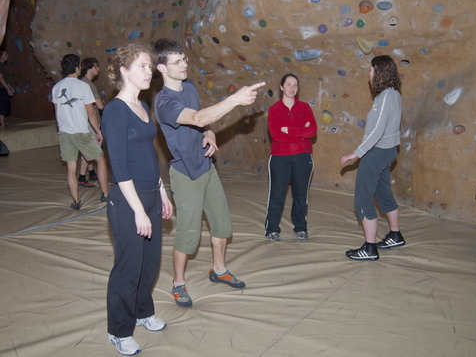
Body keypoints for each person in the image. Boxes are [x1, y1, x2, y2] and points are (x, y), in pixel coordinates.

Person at [153, 38, 264, 307]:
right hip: (185, 173)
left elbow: (202, 121)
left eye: (184, 59)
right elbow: (198, 117)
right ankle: (178, 283)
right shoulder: (164, 102)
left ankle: (219, 269)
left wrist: (210, 132)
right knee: (188, 235)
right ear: (161, 68)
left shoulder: (189, 87)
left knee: (222, 225)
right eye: (177, 62)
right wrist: (236, 100)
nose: (184, 64)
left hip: (207, 167)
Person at [101, 43, 173, 356]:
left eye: (150, 66)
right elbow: (119, 164)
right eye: (143, 66)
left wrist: (160, 190)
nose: (150, 72)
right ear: (123, 71)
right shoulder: (115, 111)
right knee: (128, 267)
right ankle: (119, 330)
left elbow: (148, 154)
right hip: (127, 199)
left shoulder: (143, 107)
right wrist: (138, 211)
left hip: (150, 195)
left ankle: (143, 311)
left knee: (150, 262)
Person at [340, 55, 406, 260]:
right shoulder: (395, 94)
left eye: (370, 70)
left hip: (376, 152)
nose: (368, 74)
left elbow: (377, 131)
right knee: (382, 192)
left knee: (363, 197)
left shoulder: (385, 97)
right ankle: (395, 234)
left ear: (379, 72)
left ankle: (369, 248)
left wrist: (356, 153)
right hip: (388, 152)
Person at [51, 54, 108, 210]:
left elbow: (57, 113)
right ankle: (105, 194)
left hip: (64, 133)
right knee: (101, 160)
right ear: (77, 68)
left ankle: (76, 201)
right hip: (81, 132)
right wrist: (98, 131)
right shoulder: (83, 86)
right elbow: (91, 112)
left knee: (71, 168)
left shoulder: (56, 87)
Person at [264, 73, 317, 242]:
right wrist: (301, 132)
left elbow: (312, 131)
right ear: (281, 87)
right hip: (280, 158)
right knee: (277, 194)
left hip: (303, 157)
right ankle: (272, 228)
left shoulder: (305, 108)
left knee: (301, 194)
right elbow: (277, 135)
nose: (292, 88)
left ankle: (301, 227)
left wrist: (290, 130)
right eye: (288, 84)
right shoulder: (274, 110)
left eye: (295, 85)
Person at [77, 57, 105, 187]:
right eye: (96, 66)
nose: (98, 69)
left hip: (83, 121)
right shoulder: (88, 84)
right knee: (91, 149)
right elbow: (99, 106)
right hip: (90, 122)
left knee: (88, 148)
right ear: (89, 68)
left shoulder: (81, 82)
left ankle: (91, 172)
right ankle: (82, 177)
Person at [0, 50, 14, 128]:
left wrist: (9, 87)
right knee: (2, 106)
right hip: (1, 89)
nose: (7, 56)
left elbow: (4, 78)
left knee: (4, 105)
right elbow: (1, 78)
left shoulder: (3, 65)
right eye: (5, 54)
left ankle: (2, 123)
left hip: (2, 88)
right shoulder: (0, 65)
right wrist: (7, 88)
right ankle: (2, 125)